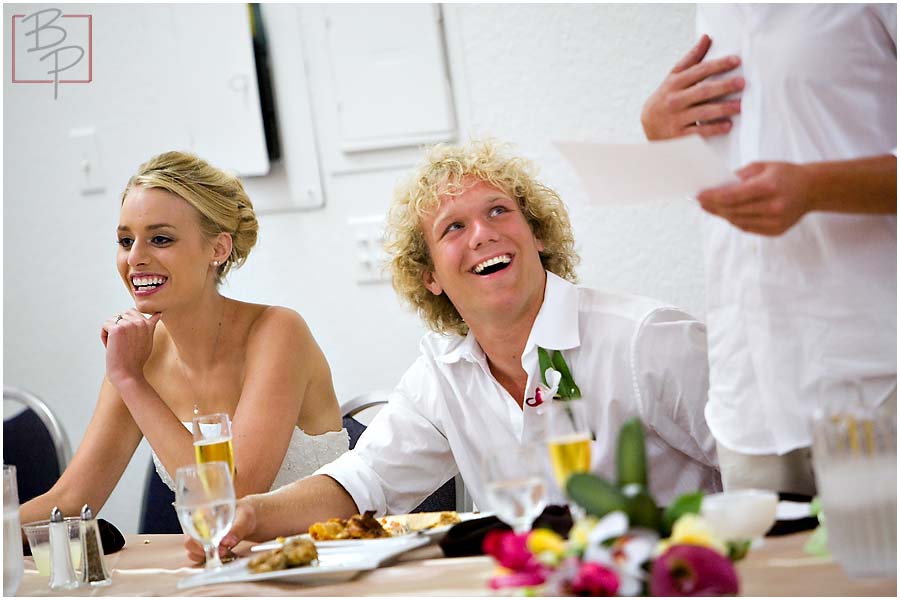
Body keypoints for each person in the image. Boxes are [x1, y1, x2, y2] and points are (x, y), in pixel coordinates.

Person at [185, 139, 719, 561]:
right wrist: (252, 515)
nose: (483, 234)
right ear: (431, 277)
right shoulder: (442, 373)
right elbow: (365, 481)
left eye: (499, 212)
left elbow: (771, 482)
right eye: (454, 228)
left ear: (536, 234)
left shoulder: (645, 339)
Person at [640, 4, 897, 494]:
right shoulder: (714, 12)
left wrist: (816, 188)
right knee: (767, 572)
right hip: (749, 400)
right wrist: (660, 135)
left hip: (875, 379)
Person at [20, 151, 348, 527]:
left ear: (218, 249)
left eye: (160, 239)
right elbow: (71, 500)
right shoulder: (141, 352)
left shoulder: (278, 332)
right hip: (220, 568)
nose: (136, 258)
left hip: (319, 565)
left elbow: (232, 499)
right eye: (126, 241)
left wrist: (131, 380)